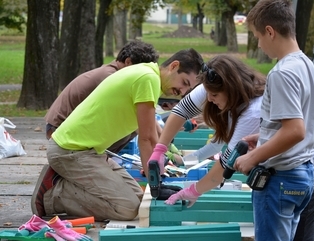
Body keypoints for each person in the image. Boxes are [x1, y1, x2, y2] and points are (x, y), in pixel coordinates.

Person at [31, 48, 203, 221]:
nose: (182, 92)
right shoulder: (147, 79)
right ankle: (53, 195)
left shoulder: (146, 74)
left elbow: (151, 132)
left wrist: (159, 174)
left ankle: (70, 180)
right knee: (128, 209)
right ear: (174, 66)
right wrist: (156, 184)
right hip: (70, 151)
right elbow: (147, 138)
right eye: (184, 83)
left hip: (90, 152)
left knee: (139, 199)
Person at [232, 0, 314, 241]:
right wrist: (263, 137)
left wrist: (253, 157)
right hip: (303, 175)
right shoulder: (307, 65)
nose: (259, 44)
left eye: (257, 36)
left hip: (280, 178)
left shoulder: (281, 72)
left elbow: (295, 130)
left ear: (270, 31)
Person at [148, 54, 265, 202]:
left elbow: (226, 163)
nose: (209, 99)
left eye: (214, 94)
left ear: (231, 89)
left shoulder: (252, 113)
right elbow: (181, 111)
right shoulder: (214, 85)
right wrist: (160, 149)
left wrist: (193, 191)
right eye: (207, 92)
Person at [44, 40, 159, 153]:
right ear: (128, 62)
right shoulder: (113, 77)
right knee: (129, 130)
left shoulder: (112, 72)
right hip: (59, 129)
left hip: (63, 127)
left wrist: (161, 138)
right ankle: (98, 159)